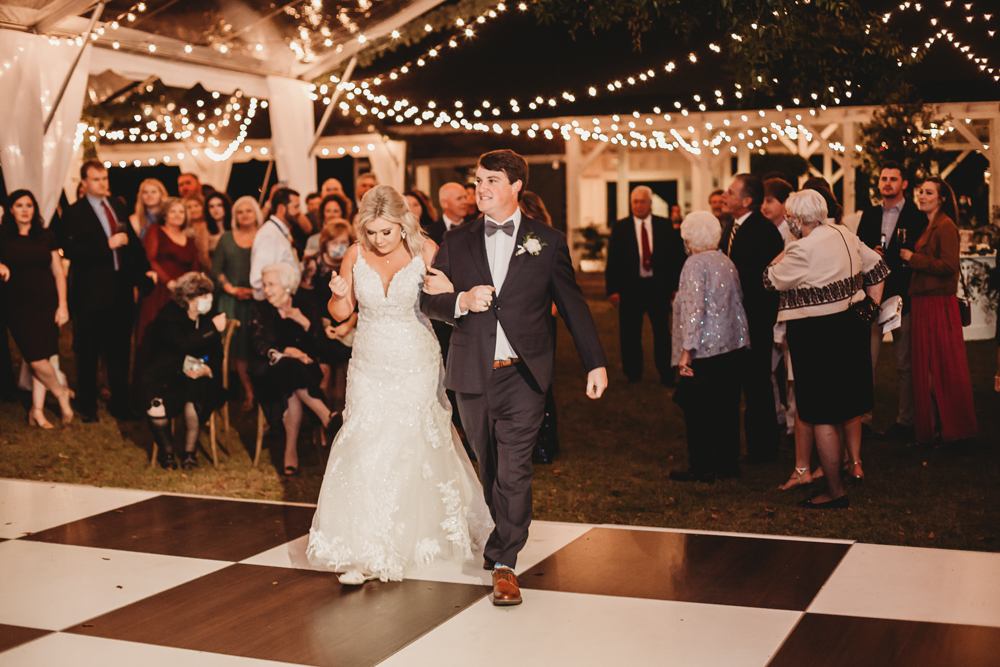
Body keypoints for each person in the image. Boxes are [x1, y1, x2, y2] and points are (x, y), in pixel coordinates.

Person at [421, 149, 608, 607]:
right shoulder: (457, 240)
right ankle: (502, 531)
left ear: (516, 185)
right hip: (471, 372)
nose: (480, 188)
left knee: (514, 469)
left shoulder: (547, 241)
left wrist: (595, 362)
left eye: (491, 180)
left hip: (523, 374)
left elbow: (573, 304)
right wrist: (462, 300)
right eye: (478, 180)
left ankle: (505, 561)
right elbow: (428, 300)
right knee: (489, 466)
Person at [308, 184, 492, 586]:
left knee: (411, 443)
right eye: (372, 232)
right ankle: (363, 546)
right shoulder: (355, 254)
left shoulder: (426, 251)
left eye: (386, 232)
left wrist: (451, 292)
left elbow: (446, 304)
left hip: (415, 359)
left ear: (402, 223)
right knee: (362, 443)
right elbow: (341, 313)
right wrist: (337, 296)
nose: (378, 240)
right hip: (369, 362)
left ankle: (409, 536)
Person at [765, 190, 888, 507]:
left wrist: (785, 249)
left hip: (815, 335)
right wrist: (870, 309)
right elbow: (877, 267)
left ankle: (834, 492)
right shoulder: (844, 233)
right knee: (845, 407)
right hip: (851, 327)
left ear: (797, 220)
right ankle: (845, 471)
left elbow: (769, 279)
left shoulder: (800, 249)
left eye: (789, 218)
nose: (788, 223)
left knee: (821, 414)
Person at [62, 160, 154, 422]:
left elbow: (131, 243)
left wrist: (145, 270)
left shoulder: (116, 205)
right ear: (84, 183)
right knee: (89, 352)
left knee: (120, 351)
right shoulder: (74, 212)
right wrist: (107, 245)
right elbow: (71, 250)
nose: (102, 183)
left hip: (120, 290)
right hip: (91, 293)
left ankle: (120, 404)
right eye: (96, 179)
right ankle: (88, 405)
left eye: (104, 178)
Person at [669, 211, 749, 482]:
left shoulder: (694, 264)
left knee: (698, 410)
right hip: (731, 345)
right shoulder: (725, 261)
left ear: (689, 238)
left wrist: (686, 351)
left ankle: (701, 465)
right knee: (727, 408)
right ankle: (727, 463)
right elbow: (737, 302)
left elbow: (694, 309)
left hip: (705, 349)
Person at [900, 177, 978, 445]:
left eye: (929, 192)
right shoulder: (929, 225)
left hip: (938, 303)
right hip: (924, 301)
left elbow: (948, 266)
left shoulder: (945, 226)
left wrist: (913, 258)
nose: (922, 196)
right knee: (926, 367)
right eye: (921, 191)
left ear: (942, 199)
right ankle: (932, 428)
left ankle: (950, 428)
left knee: (940, 368)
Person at [856, 162, 928, 441]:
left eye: (893, 179)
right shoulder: (870, 214)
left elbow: (919, 254)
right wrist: (869, 251)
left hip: (903, 296)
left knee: (905, 363)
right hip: (871, 297)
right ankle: (863, 419)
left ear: (904, 184)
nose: (887, 183)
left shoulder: (916, 216)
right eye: (884, 178)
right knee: (866, 362)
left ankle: (905, 421)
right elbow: (857, 248)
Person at [251, 262, 336, 475]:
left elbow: (322, 348)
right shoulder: (261, 309)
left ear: (286, 285)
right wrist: (288, 351)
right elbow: (259, 345)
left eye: (271, 284)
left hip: (305, 371)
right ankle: (326, 416)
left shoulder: (305, 307)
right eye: (265, 285)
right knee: (289, 365)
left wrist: (304, 323)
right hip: (271, 370)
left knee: (293, 379)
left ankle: (290, 452)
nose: (266, 290)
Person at [722, 173, 785, 464]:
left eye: (730, 192)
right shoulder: (731, 227)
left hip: (756, 320)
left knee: (757, 383)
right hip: (735, 319)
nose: (724, 196)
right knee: (742, 382)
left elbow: (765, 278)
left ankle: (764, 447)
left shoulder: (763, 231)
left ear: (747, 200)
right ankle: (750, 444)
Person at [0, 190, 74, 428]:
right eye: (19, 205)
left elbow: (58, 272)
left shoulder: (46, 235)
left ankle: (37, 410)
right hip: (17, 305)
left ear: (35, 209)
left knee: (42, 355)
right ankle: (61, 392)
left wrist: (63, 305)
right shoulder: (3, 235)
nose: (25, 210)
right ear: (11, 210)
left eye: (29, 205)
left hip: (46, 302)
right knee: (36, 360)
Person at [141, 272, 226, 470]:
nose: (208, 299)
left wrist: (207, 369)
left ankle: (189, 453)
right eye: (202, 296)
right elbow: (183, 344)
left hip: (197, 376)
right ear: (187, 298)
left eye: (209, 294)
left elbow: (216, 353)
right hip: (167, 373)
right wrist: (212, 329)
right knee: (155, 403)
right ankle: (167, 451)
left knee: (194, 395)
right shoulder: (169, 316)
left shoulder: (208, 316)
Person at [605, 185, 684, 386]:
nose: (638, 205)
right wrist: (612, 289)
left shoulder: (664, 225)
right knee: (630, 334)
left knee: (662, 333)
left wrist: (675, 286)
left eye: (642, 201)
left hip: (658, 287)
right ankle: (633, 374)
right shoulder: (620, 227)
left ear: (650, 203)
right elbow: (613, 260)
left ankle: (667, 374)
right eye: (635, 202)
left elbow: (674, 258)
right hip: (630, 288)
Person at [299, 220, 357, 406]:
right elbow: (305, 300)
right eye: (334, 242)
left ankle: (342, 407)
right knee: (324, 364)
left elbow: (359, 300)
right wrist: (322, 325)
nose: (339, 247)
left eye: (343, 243)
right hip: (319, 323)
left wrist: (348, 324)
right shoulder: (313, 264)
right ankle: (324, 413)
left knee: (346, 365)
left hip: (346, 323)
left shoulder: (355, 265)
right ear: (325, 243)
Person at [519, 190, 559, 463]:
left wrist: (547, 311)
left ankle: (544, 442)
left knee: (541, 379)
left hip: (541, 319)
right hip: (517, 319)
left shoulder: (546, 239)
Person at [212, 196, 260, 412]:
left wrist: (256, 291)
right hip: (232, 299)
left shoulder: (265, 236)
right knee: (238, 348)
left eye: (249, 210)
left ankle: (262, 394)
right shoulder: (226, 238)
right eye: (240, 211)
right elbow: (216, 270)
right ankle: (248, 393)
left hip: (259, 299)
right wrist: (230, 288)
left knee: (256, 345)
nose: (244, 215)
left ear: (256, 213)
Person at [138, 198, 200, 357]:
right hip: (159, 291)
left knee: (180, 337)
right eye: (173, 211)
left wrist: (193, 291)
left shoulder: (190, 239)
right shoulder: (155, 230)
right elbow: (150, 259)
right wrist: (169, 282)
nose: (177, 215)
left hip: (183, 295)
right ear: (165, 214)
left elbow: (195, 268)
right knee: (155, 335)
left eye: (181, 211)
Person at [250, 188, 299, 300]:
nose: (299, 211)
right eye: (296, 207)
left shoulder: (278, 231)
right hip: (272, 303)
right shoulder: (269, 235)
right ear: (282, 208)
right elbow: (258, 279)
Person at [304, 192, 352, 257]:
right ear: (322, 214)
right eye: (328, 211)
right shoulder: (312, 240)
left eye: (335, 211)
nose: (331, 215)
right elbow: (307, 261)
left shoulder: (349, 238)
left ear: (342, 214)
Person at [183, 193, 212, 272]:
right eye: (189, 207)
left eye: (196, 206)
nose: (193, 210)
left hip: (205, 269)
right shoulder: (183, 228)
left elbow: (204, 254)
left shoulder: (207, 226)